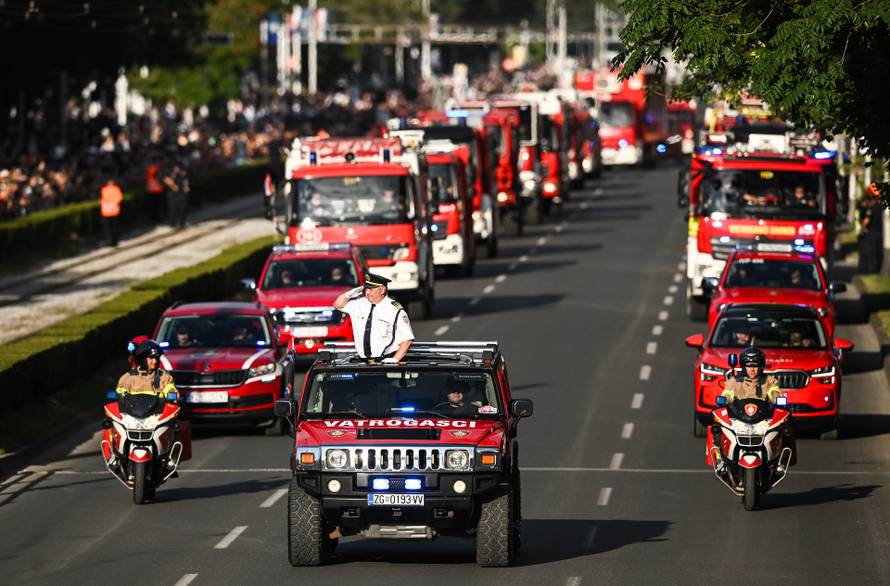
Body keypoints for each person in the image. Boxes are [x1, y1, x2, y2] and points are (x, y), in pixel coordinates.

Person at [333, 272, 414, 362]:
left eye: (372, 289)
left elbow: (407, 339)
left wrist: (394, 360)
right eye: (366, 289)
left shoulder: (394, 310)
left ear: (382, 290)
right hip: (363, 361)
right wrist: (349, 294)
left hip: (385, 360)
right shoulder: (359, 304)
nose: (367, 292)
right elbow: (338, 305)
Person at [858, 182, 884, 274]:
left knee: (872, 255)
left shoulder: (872, 208)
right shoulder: (882, 207)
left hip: (872, 234)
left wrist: (862, 229)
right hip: (880, 234)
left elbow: (866, 221)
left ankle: (873, 271)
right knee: (879, 253)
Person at [164, 160, 190, 229]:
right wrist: (172, 185)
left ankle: (182, 223)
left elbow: (185, 180)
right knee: (173, 209)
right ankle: (172, 223)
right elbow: (166, 180)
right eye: (176, 167)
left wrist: (186, 186)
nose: (177, 169)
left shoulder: (182, 173)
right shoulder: (169, 173)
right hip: (172, 194)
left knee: (183, 208)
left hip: (181, 193)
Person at [99, 176, 123, 247]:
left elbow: (101, 199)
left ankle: (110, 241)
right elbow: (119, 198)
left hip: (106, 212)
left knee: (108, 229)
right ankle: (114, 241)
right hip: (114, 211)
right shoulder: (116, 189)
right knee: (114, 227)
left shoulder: (103, 189)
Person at [144, 157, 166, 223]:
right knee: (158, 206)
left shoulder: (149, 169)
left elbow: (146, 179)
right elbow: (160, 178)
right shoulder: (156, 169)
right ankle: (158, 218)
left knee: (152, 206)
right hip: (157, 190)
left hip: (150, 190)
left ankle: (152, 219)